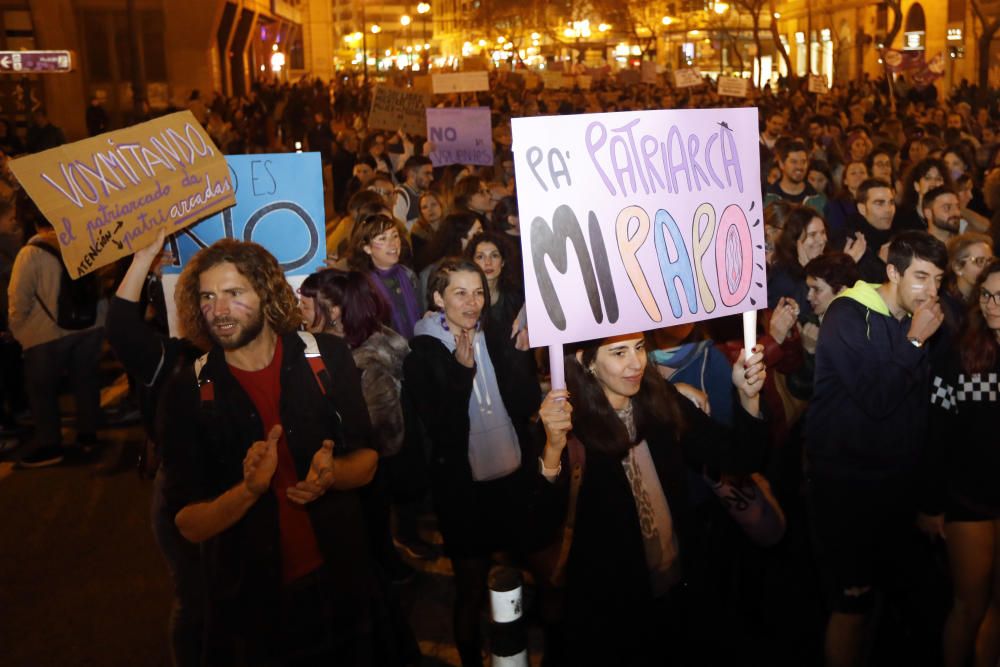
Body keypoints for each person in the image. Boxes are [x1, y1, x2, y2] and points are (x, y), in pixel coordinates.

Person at [158, 239, 386, 665]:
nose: (219, 310)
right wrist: (247, 492)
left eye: (234, 293)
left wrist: (331, 474)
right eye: (207, 296)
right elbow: (188, 524)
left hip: (341, 582)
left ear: (266, 292)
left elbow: (368, 462)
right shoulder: (187, 391)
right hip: (253, 607)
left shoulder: (326, 357)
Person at [535, 332, 766, 664]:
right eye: (619, 352)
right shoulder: (567, 428)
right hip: (611, 616)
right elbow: (538, 523)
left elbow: (737, 457)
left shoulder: (660, 398)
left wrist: (748, 398)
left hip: (678, 593)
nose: (636, 363)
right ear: (588, 363)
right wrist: (553, 450)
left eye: (640, 348)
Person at [805, 231, 949, 667]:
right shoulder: (847, 315)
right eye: (921, 277)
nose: (933, 290)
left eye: (939, 279)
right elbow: (877, 399)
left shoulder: (914, 321)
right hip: (847, 489)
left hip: (895, 488)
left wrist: (926, 497)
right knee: (851, 604)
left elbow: (918, 414)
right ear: (892, 272)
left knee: (884, 604)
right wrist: (916, 342)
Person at [403, 258, 542, 667]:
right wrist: (462, 374)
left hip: (510, 475)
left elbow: (525, 405)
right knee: (470, 588)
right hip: (462, 491)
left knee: (526, 570)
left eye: (478, 291)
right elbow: (443, 430)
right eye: (460, 292)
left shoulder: (494, 336)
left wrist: (520, 358)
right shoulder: (421, 354)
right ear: (438, 297)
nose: (472, 302)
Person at [105, 229, 205, 667]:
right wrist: (144, 257)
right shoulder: (169, 357)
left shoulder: (254, 350)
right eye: (206, 297)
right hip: (184, 494)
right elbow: (122, 326)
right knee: (196, 597)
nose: (219, 307)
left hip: (248, 491)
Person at [298, 268, 435, 562]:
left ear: (333, 311)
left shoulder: (363, 362)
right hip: (374, 470)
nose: (300, 310)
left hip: (370, 471)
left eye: (306, 305)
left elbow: (383, 433)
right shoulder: (360, 339)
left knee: (373, 537)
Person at [928, 259, 1000, 667]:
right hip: (967, 498)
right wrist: (931, 502)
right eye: (987, 295)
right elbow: (937, 430)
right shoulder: (962, 354)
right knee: (969, 606)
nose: (992, 305)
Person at [6, 215, 104, 467]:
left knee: (42, 390)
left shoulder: (31, 252)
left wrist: (20, 332)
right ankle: (88, 436)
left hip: (46, 333)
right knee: (86, 380)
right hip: (91, 325)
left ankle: (50, 444)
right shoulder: (87, 241)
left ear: (36, 224)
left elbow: (18, 297)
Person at [347, 213, 421, 339]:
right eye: (382, 239)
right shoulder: (362, 286)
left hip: (416, 349)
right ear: (367, 248)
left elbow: (421, 314)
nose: (393, 244)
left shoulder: (409, 275)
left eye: (395, 236)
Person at [766, 204, 830, 316]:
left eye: (823, 232)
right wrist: (807, 273)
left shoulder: (824, 266)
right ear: (795, 240)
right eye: (812, 234)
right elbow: (802, 316)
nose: (821, 241)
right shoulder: (781, 275)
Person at [845, 178, 897, 283]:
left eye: (891, 202)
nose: (888, 209)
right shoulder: (852, 244)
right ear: (862, 209)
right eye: (879, 203)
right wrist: (881, 263)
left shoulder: (897, 236)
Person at [764, 140, 828, 214]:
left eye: (803, 162)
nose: (799, 167)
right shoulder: (767, 198)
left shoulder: (819, 200)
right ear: (781, 164)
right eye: (794, 162)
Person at [392, 155, 434, 231]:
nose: (432, 178)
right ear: (412, 174)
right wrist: (423, 221)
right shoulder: (400, 195)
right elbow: (399, 228)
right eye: (427, 173)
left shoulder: (425, 193)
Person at [409, 191, 445, 266]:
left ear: (441, 206)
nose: (430, 209)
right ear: (421, 212)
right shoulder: (417, 232)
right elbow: (421, 262)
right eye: (424, 207)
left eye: (433, 204)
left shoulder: (451, 226)